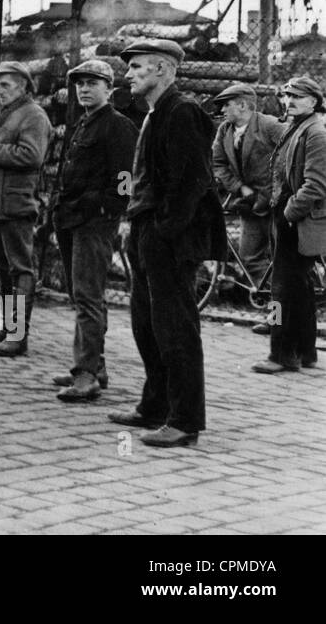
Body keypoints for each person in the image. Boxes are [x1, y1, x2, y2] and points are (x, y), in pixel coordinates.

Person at [111, 38, 225, 448]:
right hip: (148, 233)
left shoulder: (183, 112)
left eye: (137, 67)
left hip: (171, 240)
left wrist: (162, 231)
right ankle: (154, 406)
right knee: (147, 324)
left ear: (161, 69)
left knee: (176, 328)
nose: (129, 74)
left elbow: (190, 182)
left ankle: (185, 421)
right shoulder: (156, 114)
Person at [48, 59, 139, 402]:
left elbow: (124, 179)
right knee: (81, 295)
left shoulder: (117, 125)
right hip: (73, 219)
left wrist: (107, 210)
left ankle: (86, 376)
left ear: (109, 89)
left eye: (92, 83)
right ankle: (94, 366)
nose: (84, 89)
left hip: (94, 223)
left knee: (88, 297)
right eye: (80, 84)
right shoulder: (85, 123)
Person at [0, 60, 52, 358]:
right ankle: (8, 329)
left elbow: (31, 156)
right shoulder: (11, 113)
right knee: (2, 268)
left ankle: (18, 336)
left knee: (21, 269)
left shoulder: (34, 115)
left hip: (15, 203)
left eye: (5, 85)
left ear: (23, 86)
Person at [258, 76, 325, 374]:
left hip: (294, 220)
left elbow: (316, 184)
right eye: (287, 96)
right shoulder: (297, 126)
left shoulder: (315, 133)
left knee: (281, 290)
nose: (290, 101)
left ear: (314, 102)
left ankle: (280, 353)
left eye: (298, 96)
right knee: (300, 287)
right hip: (289, 217)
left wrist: (288, 213)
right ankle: (306, 352)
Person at [210, 82, 287, 335]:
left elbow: (292, 157)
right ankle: (276, 313)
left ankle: (286, 318)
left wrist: (275, 191)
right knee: (250, 257)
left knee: (284, 261)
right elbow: (219, 163)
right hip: (251, 203)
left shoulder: (270, 126)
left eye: (226, 104)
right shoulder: (225, 130)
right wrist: (240, 188)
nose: (221, 110)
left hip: (279, 203)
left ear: (242, 105)